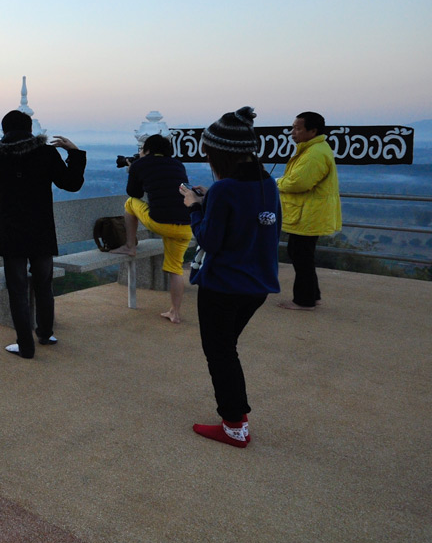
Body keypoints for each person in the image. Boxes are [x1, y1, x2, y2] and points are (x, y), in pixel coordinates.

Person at [181, 107, 281, 448]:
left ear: (221, 151)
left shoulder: (224, 189)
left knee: (220, 352)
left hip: (223, 285)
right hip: (258, 284)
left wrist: (195, 206)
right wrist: (209, 201)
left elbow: (210, 240)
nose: (205, 154)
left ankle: (234, 424)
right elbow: (249, 222)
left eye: (207, 149)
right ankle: (237, 416)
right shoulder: (267, 182)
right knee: (227, 348)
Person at [0, 110, 86, 358]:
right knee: (43, 284)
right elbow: (72, 184)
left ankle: (25, 346)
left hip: (11, 232)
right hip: (41, 231)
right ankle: (46, 334)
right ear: (30, 129)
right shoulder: (46, 152)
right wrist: (74, 152)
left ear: (3, 130)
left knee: (17, 290)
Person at [110, 134, 193, 323]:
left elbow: (134, 193)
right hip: (185, 226)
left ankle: (130, 246)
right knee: (176, 269)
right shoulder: (177, 164)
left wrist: (134, 169)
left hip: (161, 223)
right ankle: (175, 312)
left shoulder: (141, 164)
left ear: (147, 149)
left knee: (130, 203)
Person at [277, 111, 341, 311]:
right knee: (302, 254)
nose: (293, 132)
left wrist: (276, 182)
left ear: (312, 131)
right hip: (307, 212)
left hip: (309, 213)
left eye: (298, 128)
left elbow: (299, 182)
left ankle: (304, 300)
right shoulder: (314, 149)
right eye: (293, 127)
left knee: (300, 254)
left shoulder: (315, 153)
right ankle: (313, 295)